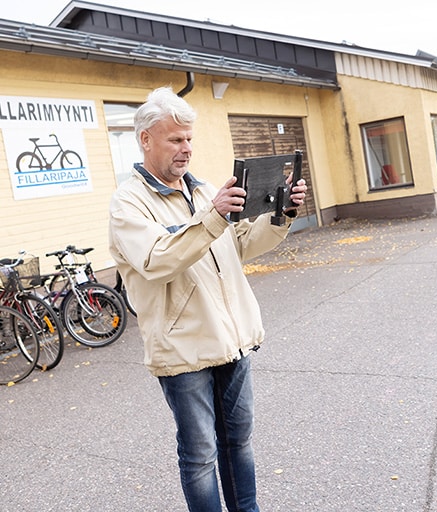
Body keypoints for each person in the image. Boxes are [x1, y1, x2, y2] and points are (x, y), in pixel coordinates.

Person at [108, 86, 307, 512]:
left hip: (231, 339)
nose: (186, 149)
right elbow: (158, 259)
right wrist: (214, 216)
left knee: (239, 442)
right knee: (200, 455)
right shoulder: (128, 203)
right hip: (183, 349)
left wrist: (281, 214)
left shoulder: (203, 191)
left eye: (190, 139)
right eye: (175, 139)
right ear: (146, 139)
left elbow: (240, 244)